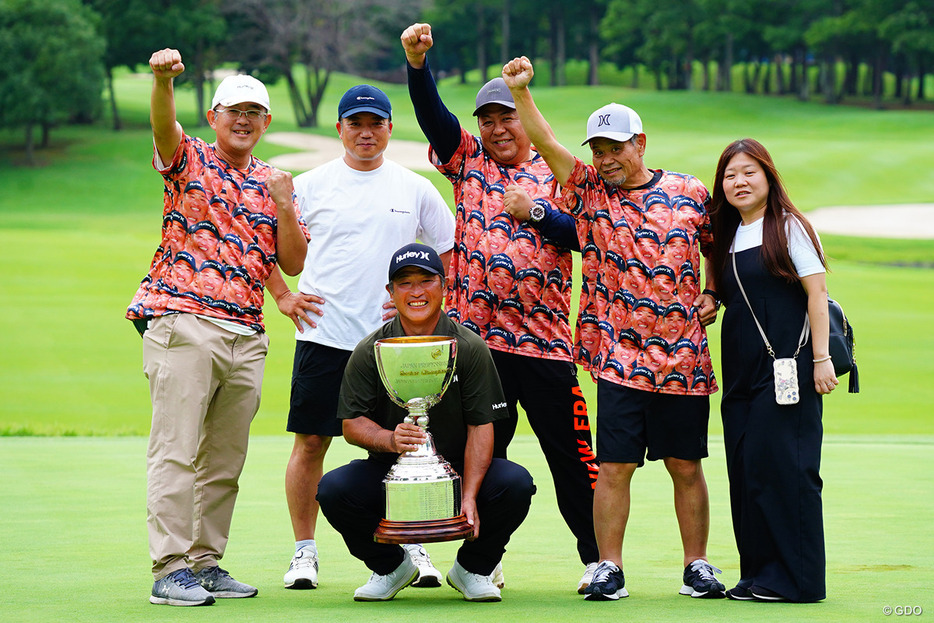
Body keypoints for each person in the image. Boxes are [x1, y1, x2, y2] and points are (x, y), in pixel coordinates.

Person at [502, 56, 725, 601]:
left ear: (639, 143)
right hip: (620, 358)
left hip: (683, 362)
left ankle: (697, 566)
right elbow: (549, 144)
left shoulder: (691, 191)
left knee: (685, 465)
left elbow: (714, 246)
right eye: (598, 151)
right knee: (613, 466)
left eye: (615, 149)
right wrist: (519, 92)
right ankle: (609, 566)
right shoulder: (589, 194)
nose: (606, 160)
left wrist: (712, 292)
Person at [401, 23, 600, 592]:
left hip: (545, 346)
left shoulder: (559, 173)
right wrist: (418, 65)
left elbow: (584, 236)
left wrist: (534, 211)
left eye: (505, 117)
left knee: (572, 457)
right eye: (487, 120)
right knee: (477, 459)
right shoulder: (468, 161)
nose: (496, 128)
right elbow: (435, 119)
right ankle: (481, 559)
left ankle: (597, 560)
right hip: (478, 349)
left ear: (523, 118)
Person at [127, 48, 309, 607]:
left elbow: (291, 260)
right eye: (234, 110)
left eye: (255, 111)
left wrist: (283, 207)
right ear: (214, 116)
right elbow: (163, 129)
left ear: (267, 122)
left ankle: (205, 562)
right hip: (184, 322)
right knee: (177, 450)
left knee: (225, 460)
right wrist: (162, 81)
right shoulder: (190, 159)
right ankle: (169, 569)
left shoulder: (274, 183)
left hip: (245, 335)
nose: (244, 119)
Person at [264, 84, 455, 591]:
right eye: (356, 124)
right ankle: (304, 551)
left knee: (403, 448)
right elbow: (260, 242)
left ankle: (410, 541)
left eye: (375, 124)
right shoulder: (309, 185)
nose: (365, 133)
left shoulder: (414, 188)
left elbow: (449, 251)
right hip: (325, 335)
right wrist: (283, 296)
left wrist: (430, 304)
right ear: (340, 129)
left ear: (391, 128)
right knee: (310, 442)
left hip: (393, 348)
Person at [316, 243, 536, 602]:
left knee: (515, 484)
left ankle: (473, 569)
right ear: (390, 292)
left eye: (426, 281)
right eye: (404, 283)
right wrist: (390, 439)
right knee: (335, 490)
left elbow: (482, 426)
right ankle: (392, 567)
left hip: (459, 473)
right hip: (393, 474)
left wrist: (468, 495)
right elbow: (352, 423)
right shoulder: (371, 349)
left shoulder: (469, 346)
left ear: (444, 286)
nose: (416, 292)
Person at [708, 138, 835, 603]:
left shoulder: (789, 228)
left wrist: (820, 360)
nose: (738, 182)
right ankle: (758, 575)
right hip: (741, 372)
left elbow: (817, 296)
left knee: (787, 469)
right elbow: (732, 291)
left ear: (768, 176)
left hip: (791, 367)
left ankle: (796, 581)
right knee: (746, 470)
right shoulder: (726, 233)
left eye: (748, 172)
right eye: (729, 175)